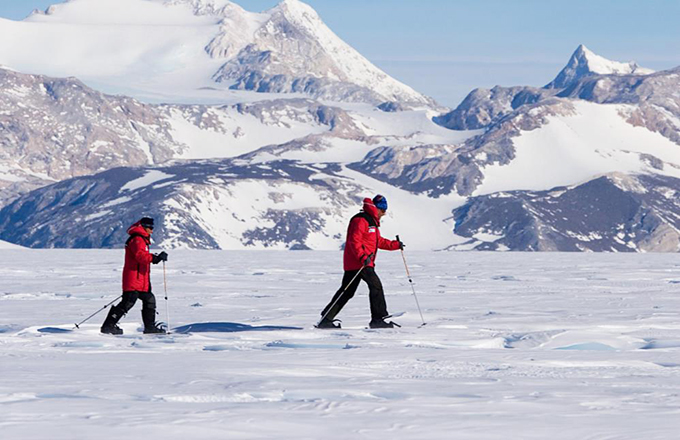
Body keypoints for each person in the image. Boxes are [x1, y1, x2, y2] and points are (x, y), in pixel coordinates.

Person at [318, 195, 404, 329]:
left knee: (347, 291)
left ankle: (326, 319)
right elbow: (354, 241)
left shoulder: (371, 222)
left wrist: (395, 245)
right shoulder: (360, 220)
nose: (384, 213)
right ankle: (378, 320)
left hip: (361, 262)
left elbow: (378, 241)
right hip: (360, 263)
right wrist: (363, 257)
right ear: (377, 209)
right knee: (375, 286)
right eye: (383, 210)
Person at [100, 217, 168, 335]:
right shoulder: (137, 239)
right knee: (128, 302)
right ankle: (108, 326)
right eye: (150, 228)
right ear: (143, 227)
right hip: (133, 278)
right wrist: (155, 258)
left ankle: (150, 327)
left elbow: (142, 256)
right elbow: (140, 256)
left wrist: (155, 257)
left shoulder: (142, 239)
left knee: (149, 299)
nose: (152, 230)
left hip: (141, 279)